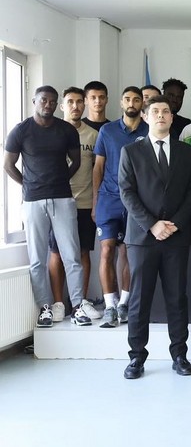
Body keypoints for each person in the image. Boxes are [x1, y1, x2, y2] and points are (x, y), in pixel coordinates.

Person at [118, 94, 191, 379]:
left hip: (176, 237)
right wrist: (152, 225)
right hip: (142, 238)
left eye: (166, 111)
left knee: (177, 298)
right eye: (155, 111)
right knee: (139, 300)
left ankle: (179, 355)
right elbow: (127, 192)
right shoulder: (131, 152)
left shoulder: (187, 152)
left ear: (172, 117)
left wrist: (175, 223)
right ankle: (136, 357)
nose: (161, 115)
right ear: (145, 116)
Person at [4, 86, 91, 327]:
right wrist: (28, 184)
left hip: (63, 199)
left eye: (53, 101)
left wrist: (61, 180)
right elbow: (8, 165)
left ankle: (77, 307)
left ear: (57, 104)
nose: (48, 105)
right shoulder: (21, 130)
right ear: (35, 101)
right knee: (37, 259)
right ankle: (45, 308)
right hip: (33, 201)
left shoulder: (66, 130)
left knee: (72, 256)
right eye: (44, 100)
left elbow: (76, 161)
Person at [93, 86, 148, 328]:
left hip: (136, 201)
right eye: (127, 99)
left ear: (142, 104)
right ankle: (109, 305)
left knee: (127, 252)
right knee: (106, 250)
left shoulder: (149, 130)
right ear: (121, 102)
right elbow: (98, 167)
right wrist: (95, 202)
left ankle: (124, 303)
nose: (132, 103)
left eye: (136, 99)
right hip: (109, 199)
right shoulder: (107, 130)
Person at [47, 87, 100, 322]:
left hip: (85, 202)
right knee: (56, 252)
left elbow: (97, 170)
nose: (75, 106)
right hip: (57, 201)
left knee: (82, 252)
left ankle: (80, 302)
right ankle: (58, 303)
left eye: (79, 102)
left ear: (84, 105)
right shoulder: (52, 132)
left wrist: (96, 202)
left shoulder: (93, 135)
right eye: (70, 102)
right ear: (62, 106)